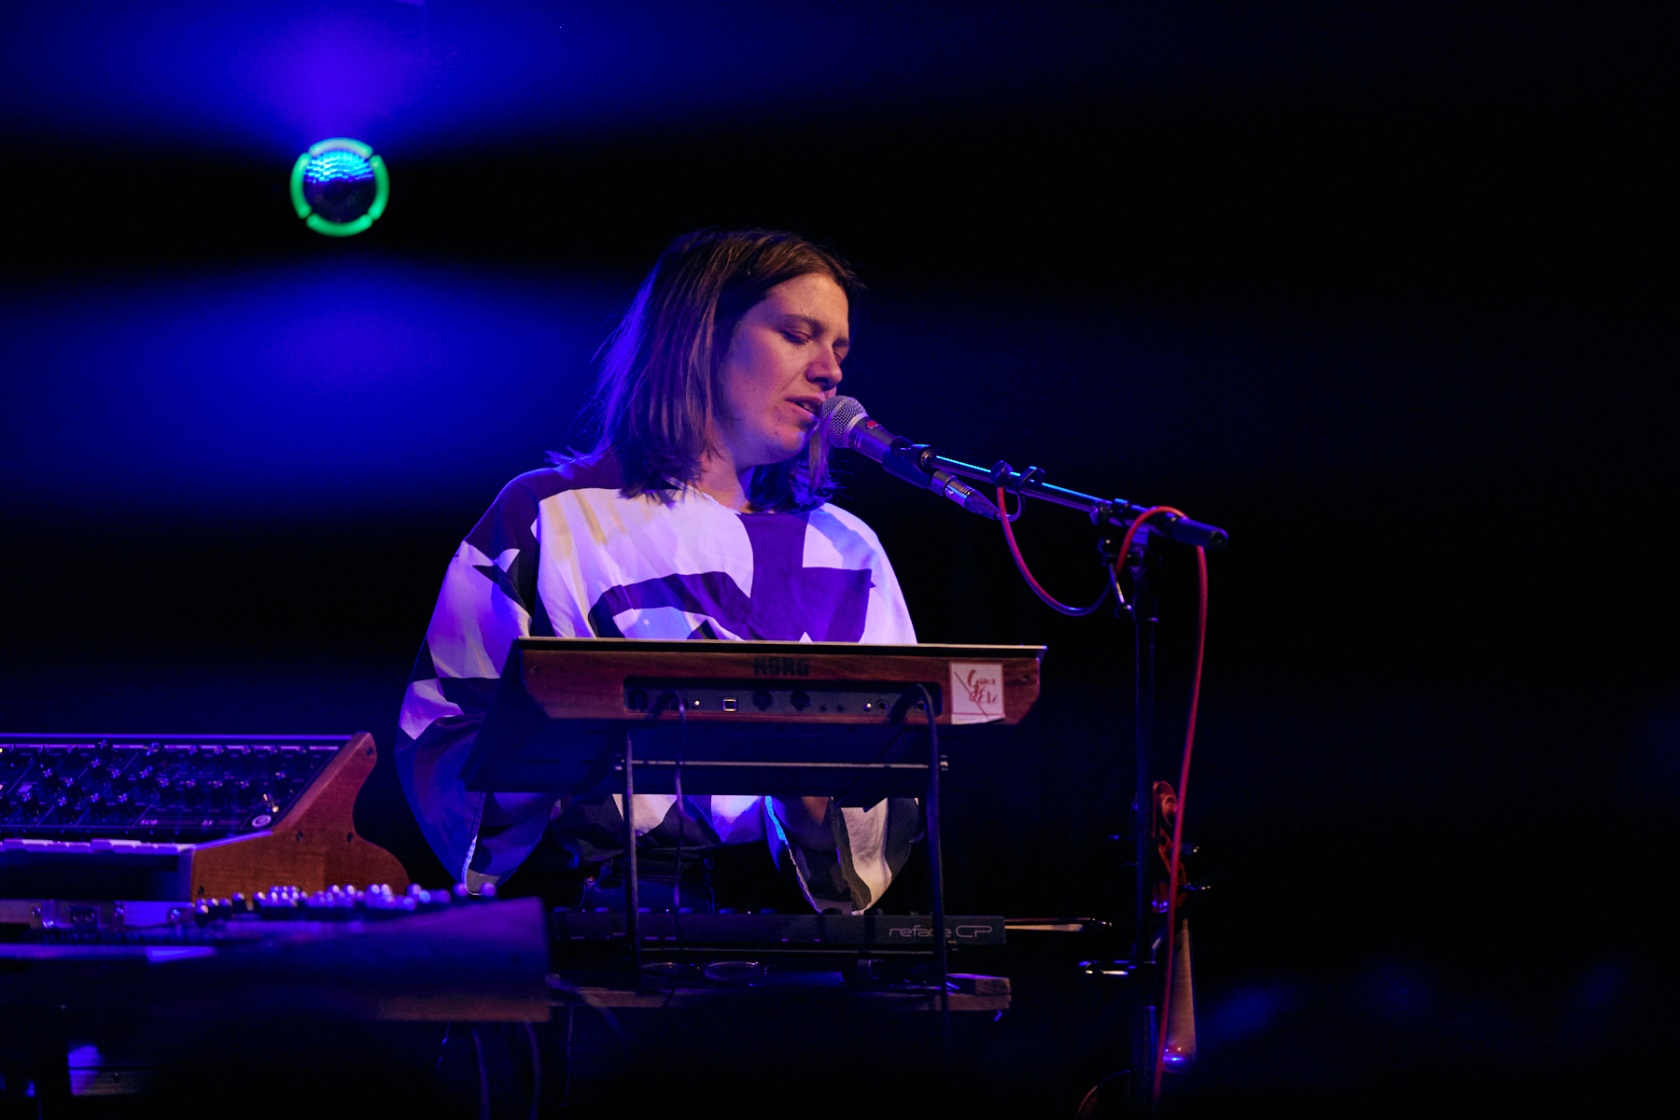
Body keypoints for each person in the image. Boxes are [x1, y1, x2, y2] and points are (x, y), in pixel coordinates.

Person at [393, 229, 921, 913]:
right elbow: (444, 730)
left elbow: (893, 786)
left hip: (785, 953)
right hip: (583, 934)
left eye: (839, 347)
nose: (830, 370)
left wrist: (811, 796)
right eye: (797, 335)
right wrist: (561, 759)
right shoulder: (547, 514)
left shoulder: (850, 552)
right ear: (700, 337)